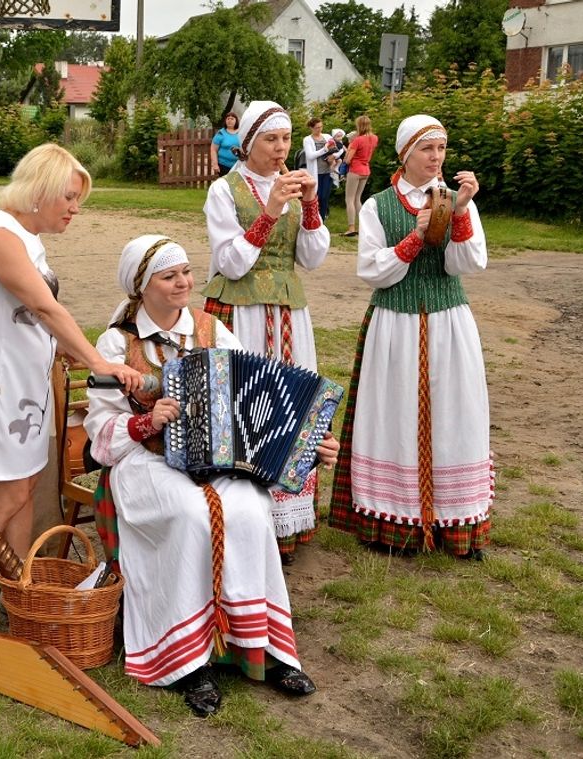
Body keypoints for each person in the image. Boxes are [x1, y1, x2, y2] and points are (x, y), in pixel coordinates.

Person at [85, 235, 338, 717]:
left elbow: (253, 406)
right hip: (146, 459)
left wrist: (305, 447)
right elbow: (99, 433)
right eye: (169, 275)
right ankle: (188, 662)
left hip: (218, 458)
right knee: (188, 515)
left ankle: (264, 650)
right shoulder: (117, 341)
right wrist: (146, 421)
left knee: (250, 509)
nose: (183, 282)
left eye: (185, 272)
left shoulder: (213, 330)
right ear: (142, 286)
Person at [0, 143, 139, 626]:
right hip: (1, 390)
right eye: (69, 198)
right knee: (7, 496)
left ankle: (19, 588)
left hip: (26, 388)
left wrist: (66, 351)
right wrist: (98, 360)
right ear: (41, 190)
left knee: (25, 490)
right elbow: (46, 309)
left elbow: (32, 320)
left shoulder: (28, 239)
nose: (75, 209)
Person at [329, 114, 492, 560]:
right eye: (426, 149)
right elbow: (372, 271)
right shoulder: (378, 205)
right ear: (405, 154)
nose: (436, 158)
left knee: (455, 415)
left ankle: (455, 523)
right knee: (393, 416)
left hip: (448, 322)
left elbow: (468, 264)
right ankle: (393, 524)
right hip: (395, 324)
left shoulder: (460, 200)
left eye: (440, 149)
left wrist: (459, 212)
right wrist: (415, 237)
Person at [202, 100, 331, 564]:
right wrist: (271, 211)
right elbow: (230, 263)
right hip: (241, 312)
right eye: (271, 139)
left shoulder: (295, 187)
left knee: (290, 407)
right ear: (249, 142)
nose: (281, 149)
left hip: (289, 314)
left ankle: (286, 524)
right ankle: (239, 521)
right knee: (245, 409)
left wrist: (311, 204)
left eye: (286, 139)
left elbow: (313, 259)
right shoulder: (224, 190)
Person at [341, 114, 379, 236]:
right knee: (358, 199)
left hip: (355, 170)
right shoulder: (374, 138)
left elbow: (348, 159)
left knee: (349, 199)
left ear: (359, 126)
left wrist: (350, 146)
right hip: (366, 169)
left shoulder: (358, 140)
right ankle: (365, 226)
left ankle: (351, 228)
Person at [302, 117, 338, 220]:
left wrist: (333, 156)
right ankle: (313, 218)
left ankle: (322, 220)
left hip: (327, 171)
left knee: (324, 197)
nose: (320, 129)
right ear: (311, 128)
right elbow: (310, 156)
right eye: (317, 127)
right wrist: (325, 149)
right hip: (315, 173)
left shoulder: (327, 137)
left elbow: (335, 149)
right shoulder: (308, 140)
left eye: (321, 126)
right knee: (316, 196)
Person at [209, 111, 242, 177]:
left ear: (236, 121)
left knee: (236, 185)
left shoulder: (241, 132)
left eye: (232, 119)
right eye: (228, 119)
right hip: (223, 166)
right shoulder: (220, 133)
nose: (230, 120)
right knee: (226, 185)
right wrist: (215, 164)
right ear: (225, 121)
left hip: (239, 166)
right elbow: (213, 149)